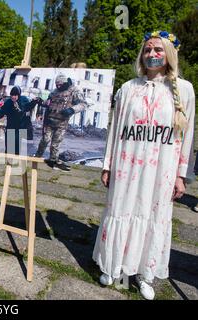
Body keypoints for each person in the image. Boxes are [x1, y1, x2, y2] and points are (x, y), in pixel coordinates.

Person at [93, 31, 195, 300]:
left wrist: (181, 175)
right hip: (127, 166)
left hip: (161, 169)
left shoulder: (183, 90)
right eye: (148, 50)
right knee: (121, 210)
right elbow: (115, 130)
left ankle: (145, 273)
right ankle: (113, 266)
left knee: (152, 217)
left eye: (158, 50)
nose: (152, 54)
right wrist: (108, 165)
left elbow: (187, 136)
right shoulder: (128, 89)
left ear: (169, 55)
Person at [34, 73, 88, 171]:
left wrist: (72, 110)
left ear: (66, 83)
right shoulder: (54, 92)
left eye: (60, 84)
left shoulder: (74, 91)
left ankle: (53, 161)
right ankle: (37, 156)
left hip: (61, 123)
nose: (58, 86)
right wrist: (41, 102)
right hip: (49, 121)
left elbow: (83, 104)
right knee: (45, 140)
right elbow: (48, 103)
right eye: (56, 84)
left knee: (55, 144)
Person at [0, 86, 40, 155]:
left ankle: (15, 162)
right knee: (9, 148)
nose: (13, 97)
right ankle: (8, 163)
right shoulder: (8, 102)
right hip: (11, 127)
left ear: (18, 95)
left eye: (15, 95)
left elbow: (28, 107)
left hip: (21, 127)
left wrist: (34, 102)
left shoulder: (24, 100)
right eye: (12, 95)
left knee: (17, 148)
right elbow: (1, 112)